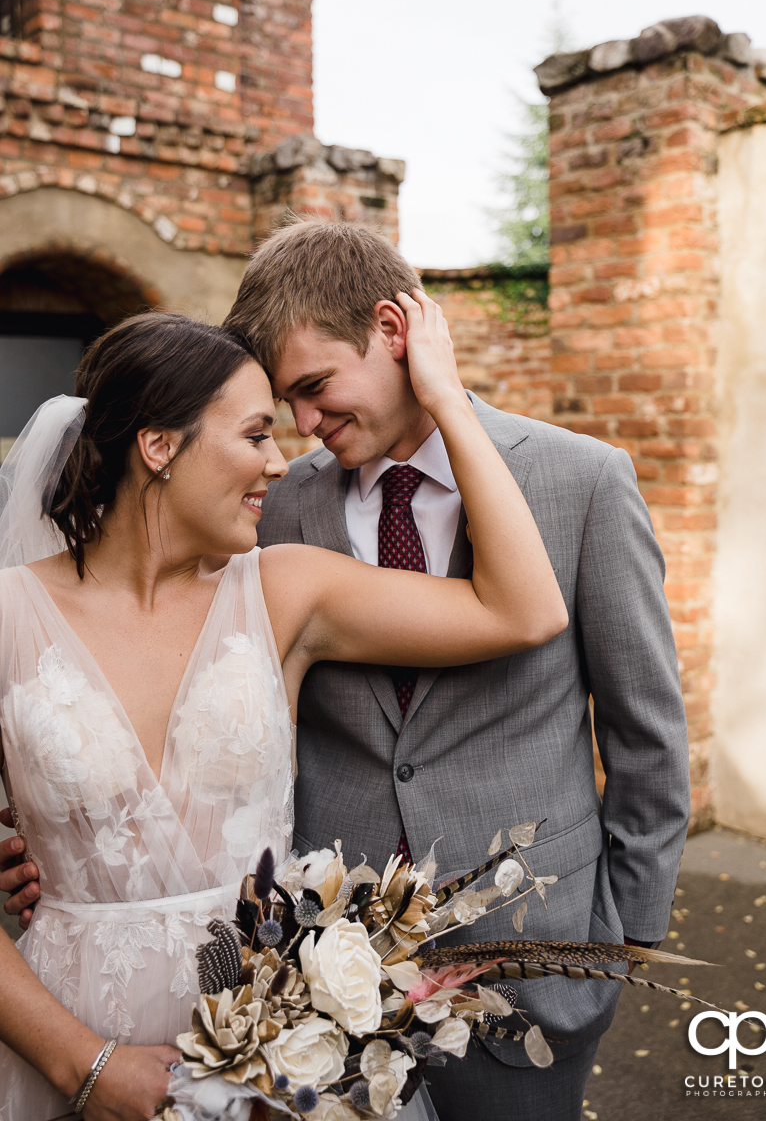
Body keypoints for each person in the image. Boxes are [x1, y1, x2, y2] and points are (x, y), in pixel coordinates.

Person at [0, 305, 566, 1121]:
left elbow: (524, 609)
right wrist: (84, 1067)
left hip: (274, 1052)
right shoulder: (10, 614)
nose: (279, 461)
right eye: (256, 433)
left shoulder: (281, 589)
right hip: (70, 1032)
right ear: (159, 446)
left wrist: (446, 400)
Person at [221, 221, 690, 1121]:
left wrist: (623, 942)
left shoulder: (583, 482)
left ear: (395, 329)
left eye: (316, 387)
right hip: (330, 976)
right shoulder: (276, 509)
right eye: (289, 404)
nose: (306, 425)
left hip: (536, 963)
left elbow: (647, 733)